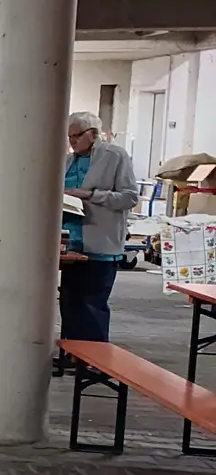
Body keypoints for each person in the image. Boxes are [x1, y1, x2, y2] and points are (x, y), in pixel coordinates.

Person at [59, 111, 138, 343]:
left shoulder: (115, 156)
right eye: (69, 136)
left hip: (100, 244)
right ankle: (74, 354)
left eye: (77, 136)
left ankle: (94, 362)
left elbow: (129, 197)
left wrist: (90, 195)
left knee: (92, 304)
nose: (72, 142)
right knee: (70, 302)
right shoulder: (68, 160)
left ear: (93, 134)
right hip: (70, 243)